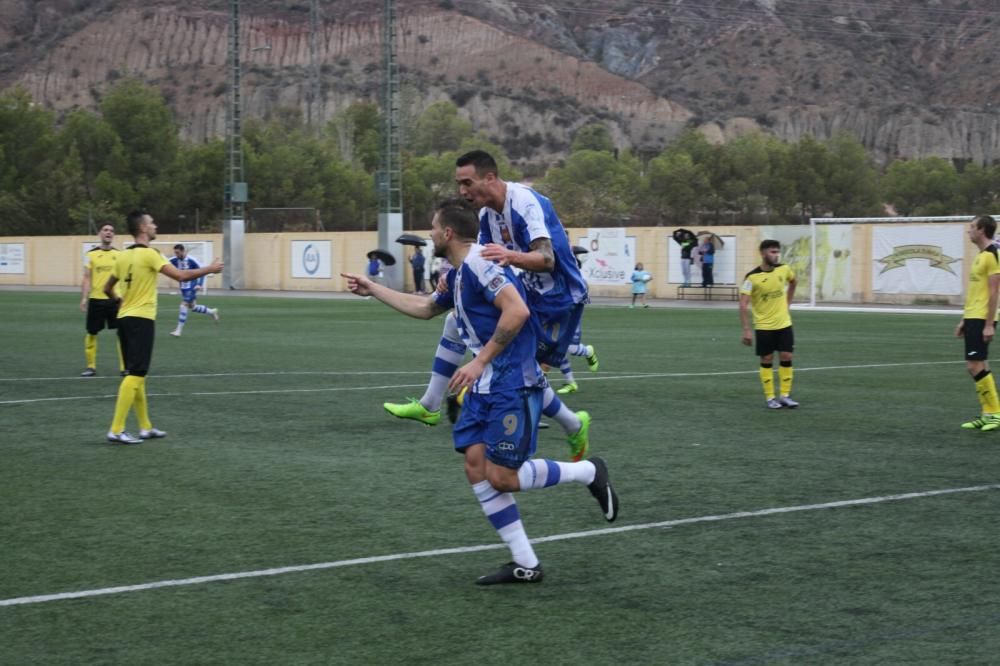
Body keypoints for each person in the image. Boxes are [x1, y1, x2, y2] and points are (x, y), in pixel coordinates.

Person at [341, 198, 618, 585]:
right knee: (476, 467)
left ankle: (588, 471)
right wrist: (373, 289)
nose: (431, 234)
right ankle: (525, 562)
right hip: (484, 387)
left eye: (434, 228)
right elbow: (425, 308)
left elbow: (517, 311)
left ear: (448, 233)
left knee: (503, 477)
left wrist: (478, 361)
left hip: (512, 383)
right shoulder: (456, 272)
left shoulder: (479, 264)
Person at [384, 150, 593, 462]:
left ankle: (571, 426)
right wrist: (449, 276)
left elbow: (547, 260)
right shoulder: (485, 216)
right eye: (459, 184)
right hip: (523, 293)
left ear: (491, 178)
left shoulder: (524, 203)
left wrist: (511, 257)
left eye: (467, 183)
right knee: (457, 322)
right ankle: (430, 404)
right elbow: (470, 255)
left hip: (558, 299)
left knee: (527, 371)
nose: (462, 191)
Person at [102, 211, 223, 444]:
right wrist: (209, 269)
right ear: (143, 228)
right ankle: (116, 429)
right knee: (136, 375)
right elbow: (181, 276)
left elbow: (108, 288)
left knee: (137, 375)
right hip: (141, 320)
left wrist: (120, 301)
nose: (155, 225)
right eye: (152, 223)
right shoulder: (150, 254)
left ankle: (145, 427)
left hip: (125, 320)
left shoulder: (122, 257)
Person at [739, 239, 798, 409]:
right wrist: (746, 330)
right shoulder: (752, 277)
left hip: (784, 323)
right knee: (767, 359)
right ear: (763, 253)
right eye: (772, 252)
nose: (776, 255)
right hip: (764, 326)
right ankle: (770, 397)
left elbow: (793, 282)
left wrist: (788, 303)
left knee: (787, 356)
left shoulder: (784, 269)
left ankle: (785, 395)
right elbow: (743, 303)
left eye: (777, 252)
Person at [958, 215, 1000, 431]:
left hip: (983, 317)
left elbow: (994, 292)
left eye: (972, 227)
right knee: (979, 365)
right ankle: (989, 413)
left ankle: (994, 413)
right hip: (973, 316)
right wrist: (965, 319)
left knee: (974, 366)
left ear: (982, 230)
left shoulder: (992, 254)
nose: (969, 231)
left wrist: (989, 323)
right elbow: (977, 292)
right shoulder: (981, 255)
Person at [79, 223, 124, 377]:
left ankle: (124, 367)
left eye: (111, 231)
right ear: (100, 234)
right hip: (96, 300)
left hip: (114, 300)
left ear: (114, 235)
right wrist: (84, 298)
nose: (108, 233)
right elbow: (86, 278)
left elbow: (124, 279)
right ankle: (91, 366)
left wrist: (123, 298)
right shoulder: (90, 255)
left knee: (121, 332)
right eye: (105, 230)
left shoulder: (119, 255)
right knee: (92, 332)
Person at [168, 244, 219, 337]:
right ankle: (211, 311)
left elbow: (203, 271)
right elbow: (164, 263)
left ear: (183, 251)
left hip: (192, 286)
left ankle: (178, 331)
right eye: (175, 253)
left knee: (184, 305)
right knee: (193, 307)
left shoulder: (192, 260)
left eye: (177, 253)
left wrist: (199, 284)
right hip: (183, 287)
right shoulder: (174, 260)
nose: (176, 255)